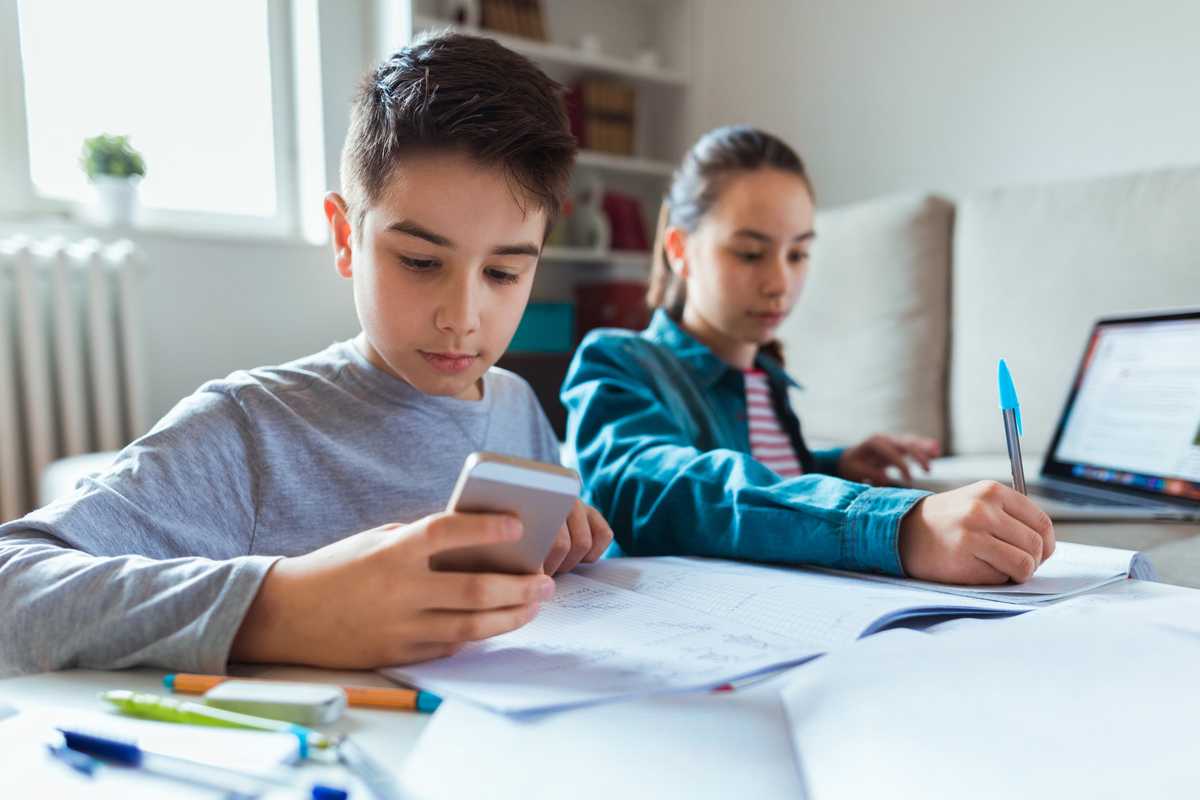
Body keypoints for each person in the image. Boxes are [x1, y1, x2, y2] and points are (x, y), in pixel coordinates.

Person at [0, 32, 612, 676]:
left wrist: (567, 539)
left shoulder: (514, 405)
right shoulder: (251, 428)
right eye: (420, 261)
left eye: (504, 273)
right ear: (347, 237)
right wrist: (280, 607)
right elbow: (14, 585)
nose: (462, 319)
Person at [561, 125, 1052, 585]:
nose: (780, 284)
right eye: (750, 254)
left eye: (797, 254)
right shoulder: (617, 361)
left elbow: (757, 479)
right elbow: (666, 488)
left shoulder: (765, 379)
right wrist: (897, 526)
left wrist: (836, 465)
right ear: (679, 250)